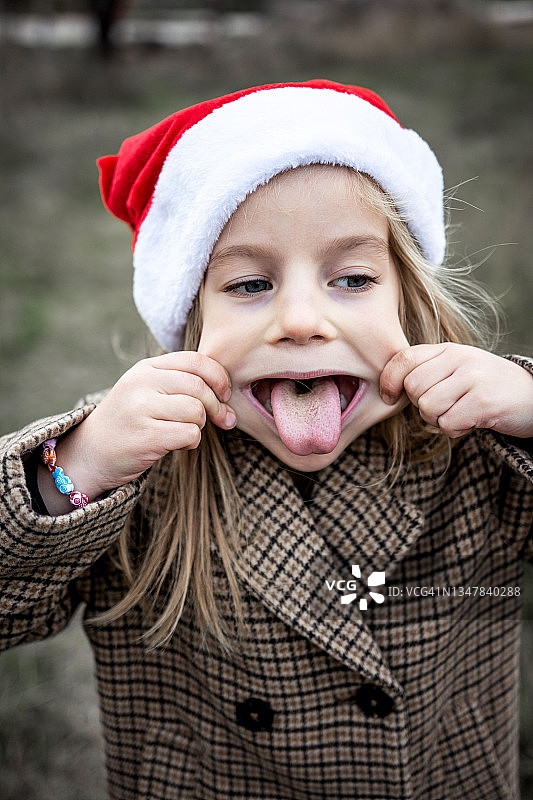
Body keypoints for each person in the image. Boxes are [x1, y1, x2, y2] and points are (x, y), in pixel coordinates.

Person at [1, 79, 532, 800]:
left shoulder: (482, 447)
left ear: (408, 305)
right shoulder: (133, 467)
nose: (302, 321)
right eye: (250, 285)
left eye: (352, 278)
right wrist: (80, 465)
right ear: (190, 323)